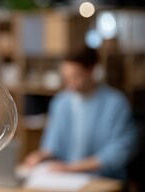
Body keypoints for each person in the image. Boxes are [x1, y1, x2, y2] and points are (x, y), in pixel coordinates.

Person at [23, 47, 137, 179]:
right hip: (66, 177)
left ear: (92, 70)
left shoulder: (116, 103)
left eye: (76, 77)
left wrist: (72, 168)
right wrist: (39, 156)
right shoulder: (61, 102)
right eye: (66, 78)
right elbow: (52, 143)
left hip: (102, 178)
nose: (70, 83)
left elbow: (118, 153)